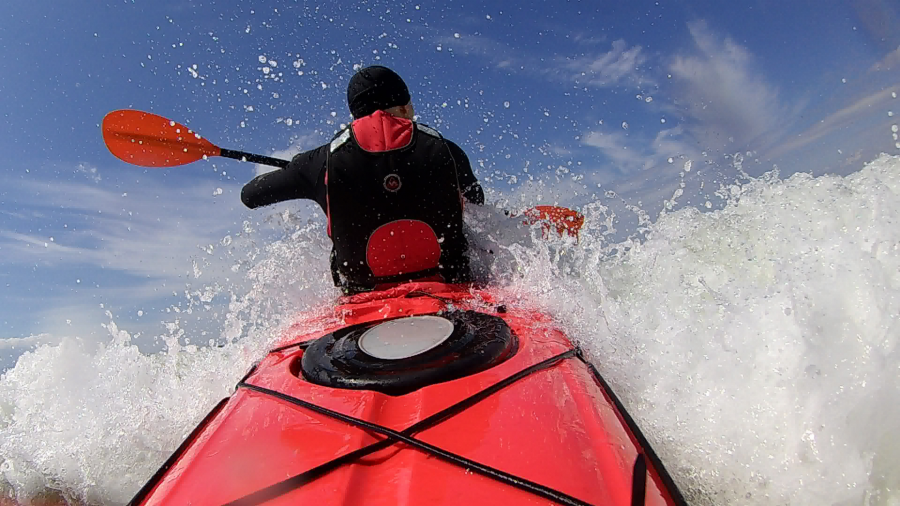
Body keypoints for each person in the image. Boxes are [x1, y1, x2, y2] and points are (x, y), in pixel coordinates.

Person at [241, 65, 484, 294]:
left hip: (363, 300)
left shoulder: (322, 161)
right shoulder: (447, 150)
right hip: (453, 290)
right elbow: (477, 201)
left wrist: (301, 168)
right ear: (402, 108)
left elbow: (251, 196)